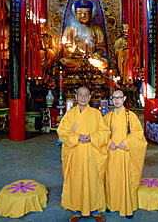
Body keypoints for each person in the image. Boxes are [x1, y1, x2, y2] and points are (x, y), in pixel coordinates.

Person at [57, 87, 110, 222]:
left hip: (92, 153)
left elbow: (104, 132)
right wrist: (76, 138)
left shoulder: (96, 114)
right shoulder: (70, 114)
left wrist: (92, 137)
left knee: (93, 179)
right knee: (76, 180)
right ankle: (78, 209)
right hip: (75, 153)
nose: (83, 97)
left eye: (86, 95)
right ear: (76, 97)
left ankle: (95, 209)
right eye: (80, 95)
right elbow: (62, 131)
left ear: (90, 97)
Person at [103, 89, 147, 218]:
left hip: (125, 153)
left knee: (126, 180)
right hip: (112, 153)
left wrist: (126, 142)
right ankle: (112, 205)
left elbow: (138, 134)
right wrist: (108, 142)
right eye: (114, 98)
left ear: (124, 99)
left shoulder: (130, 116)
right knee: (111, 180)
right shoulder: (107, 117)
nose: (116, 100)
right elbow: (102, 133)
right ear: (112, 100)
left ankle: (127, 208)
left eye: (119, 97)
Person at [60, 0, 108, 69]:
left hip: (92, 59)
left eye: (86, 13)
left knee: (103, 63)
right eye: (80, 13)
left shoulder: (97, 29)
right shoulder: (70, 28)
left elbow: (101, 46)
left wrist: (96, 54)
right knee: (65, 61)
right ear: (75, 14)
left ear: (91, 14)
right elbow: (65, 45)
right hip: (76, 58)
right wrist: (72, 53)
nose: (83, 16)